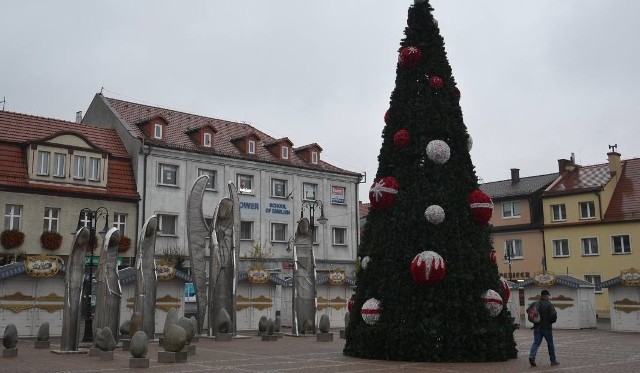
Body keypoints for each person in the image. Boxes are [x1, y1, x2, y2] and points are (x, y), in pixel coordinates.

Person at [527, 289, 559, 367]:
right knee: (550, 344)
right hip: (547, 327)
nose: (548, 297)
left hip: (537, 327)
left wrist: (535, 316)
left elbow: (528, 310)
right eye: (548, 295)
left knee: (536, 343)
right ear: (545, 295)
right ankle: (553, 361)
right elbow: (553, 315)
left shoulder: (535, 303)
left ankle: (532, 356)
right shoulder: (549, 304)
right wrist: (551, 321)